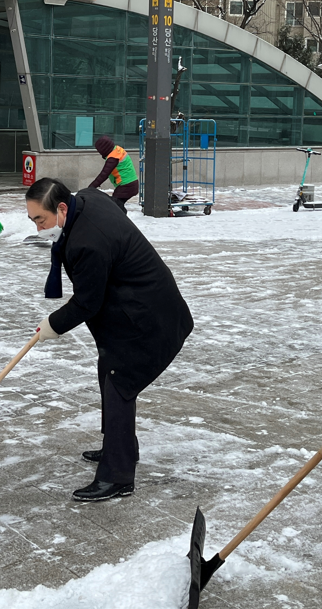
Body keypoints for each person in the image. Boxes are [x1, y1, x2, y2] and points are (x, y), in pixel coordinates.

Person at [26, 177, 193, 502]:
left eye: (41, 220)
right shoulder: (86, 199)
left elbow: (88, 302)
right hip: (132, 304)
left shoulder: (87, 242)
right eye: (33, 220)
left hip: (148, 316)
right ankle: (119, 446)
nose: (38, 229)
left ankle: (118, 476)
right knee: (109, 370)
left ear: (62, 208)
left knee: (120, 379)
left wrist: (51, 325)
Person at [87, 135, 139, 213]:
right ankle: (122, 221)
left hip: (126, 185)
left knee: (115, 207)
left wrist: (91, 187)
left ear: (104, 149)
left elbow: (104, 174)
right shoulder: (117, 150)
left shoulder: (113, 158)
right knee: (117, 206)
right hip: (130, 183)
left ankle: (122, 223)